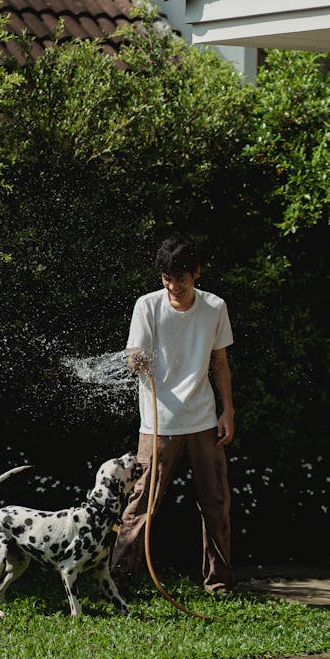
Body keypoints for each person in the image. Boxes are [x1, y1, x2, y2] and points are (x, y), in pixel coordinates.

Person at [111, 237, 236, 595]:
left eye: (180, 277)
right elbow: (135, 352)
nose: (172, 285)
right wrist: (137, 359)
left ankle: (220, 582)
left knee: (215, 502)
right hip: (158, 422)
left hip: (203, 420)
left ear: (196, 273)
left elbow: (220, 362)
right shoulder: (147, 306)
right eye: (166, 277)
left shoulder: (214, 307)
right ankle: (118, 580)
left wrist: (227, 410)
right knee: (142, 502)